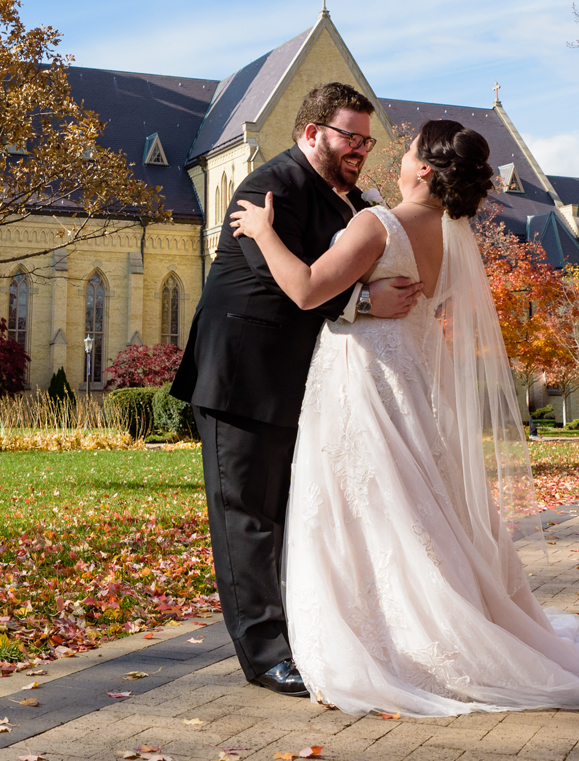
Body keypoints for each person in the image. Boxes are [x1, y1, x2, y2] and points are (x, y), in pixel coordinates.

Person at [230, 119, 579, 716]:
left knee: (363, 506)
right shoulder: (454, 238)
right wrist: (368, 301)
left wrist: (266, 232)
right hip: (413, 386)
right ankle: (414, 619)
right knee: (411, 506)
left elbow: (305, 289)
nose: (397, 156)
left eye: (409, 151)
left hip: (364, 383)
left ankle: (386, 635)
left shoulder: (378, 225)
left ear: (423, 168)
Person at [171, 82, 423, 696]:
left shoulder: (347, 201)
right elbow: (294, 285)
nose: (360, 149)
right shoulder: (268, 188)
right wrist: (365, 300)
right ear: (311, 133)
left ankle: (305, 638)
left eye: (366, 139)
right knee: (246, 522)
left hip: (297, 383)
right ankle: (265, 658)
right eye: (349, 137)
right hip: (240, 378)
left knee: (288, 519)